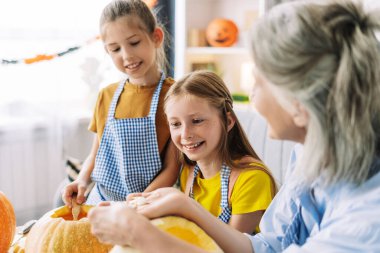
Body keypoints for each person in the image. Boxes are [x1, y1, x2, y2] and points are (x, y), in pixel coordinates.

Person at [88, 0, 380, 252]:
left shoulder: (367, 222)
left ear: (298, 104)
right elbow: (266, 247)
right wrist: (183, 204)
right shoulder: (308, 156)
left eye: (259, 82)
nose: (252, 95)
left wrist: (139, 234)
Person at [62, 0, 179, 206]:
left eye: (134, 43)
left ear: (156, 37)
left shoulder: (176, 95)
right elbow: (95, 154)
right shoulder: (106, 95)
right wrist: (81, 180)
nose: (126, 55)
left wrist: (137, 203)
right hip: (102, 200)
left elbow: (172, 167)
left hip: (148, 203)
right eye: (115, 49)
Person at [164, 70, 275, 234]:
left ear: (228, 121)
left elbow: (232, 247)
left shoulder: (251, 178)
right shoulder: (187, 172)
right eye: (176, 124)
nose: (185, 134)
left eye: (197, 121)